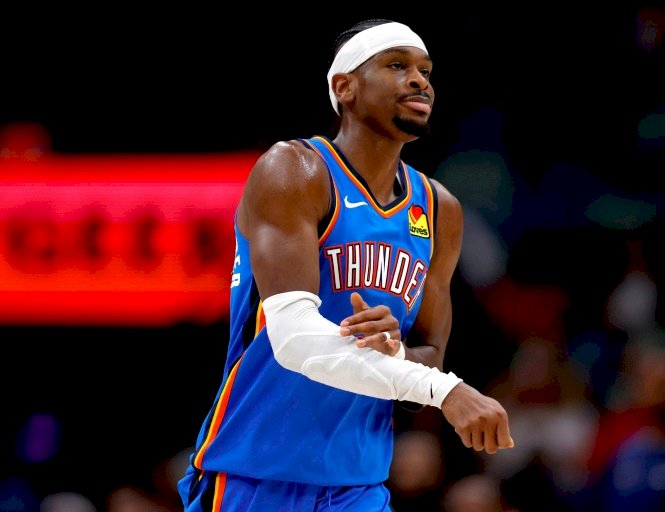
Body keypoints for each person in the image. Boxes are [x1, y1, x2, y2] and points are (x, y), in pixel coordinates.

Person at [177, 18, 515, 511]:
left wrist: (396, 351)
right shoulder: (295, 170)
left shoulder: (440, 210)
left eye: (425, 71)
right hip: (256, 473)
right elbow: (293, 338)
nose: (419, 81)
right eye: (397, 66)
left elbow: (428, 357)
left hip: (360, 484)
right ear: (345, 87)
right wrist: (446, 391)